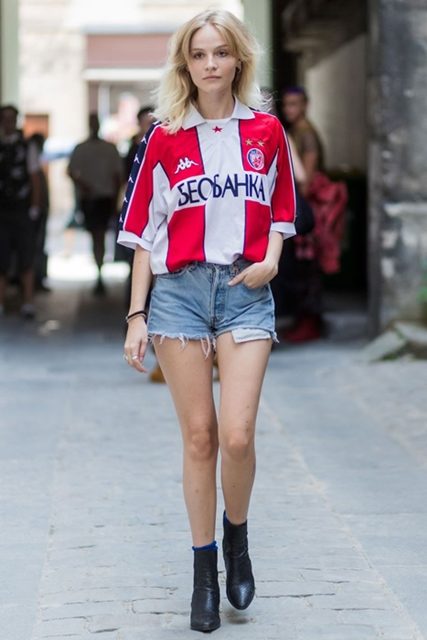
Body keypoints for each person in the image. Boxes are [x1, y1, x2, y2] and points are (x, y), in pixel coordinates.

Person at [118, 9, 296, 633]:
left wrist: (272, 259)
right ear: (185, 65)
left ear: (238, 59)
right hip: (179, 296)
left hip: (246, 290)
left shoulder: (267, 131)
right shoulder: (163, 138)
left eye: (221, 52)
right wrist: (137, 314)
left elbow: (281, 209)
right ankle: (203, 573)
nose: (211, 64)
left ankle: (237, 537)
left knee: (238, 435)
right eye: (199, 55)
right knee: (200, 437)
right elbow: (143, 234)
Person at [68, 113, 123, 295]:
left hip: (104, 198)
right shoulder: (82, 148)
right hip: (92, 199)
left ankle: (100, 271)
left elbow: (118, 177)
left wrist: (115, 199)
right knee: (97, 236)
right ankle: (99, 271)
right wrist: (84, 186)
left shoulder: (108, 149)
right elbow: (71, 171)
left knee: (100, 236)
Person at [0, 105, 41, 318]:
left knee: (26, 256)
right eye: (4, 118)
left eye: (11, 118)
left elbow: (35, 177)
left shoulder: (27, 146)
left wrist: (34, 206)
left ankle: (28, 301)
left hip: (22, 209)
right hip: (2, 210)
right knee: (2, 258)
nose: (8, 122)